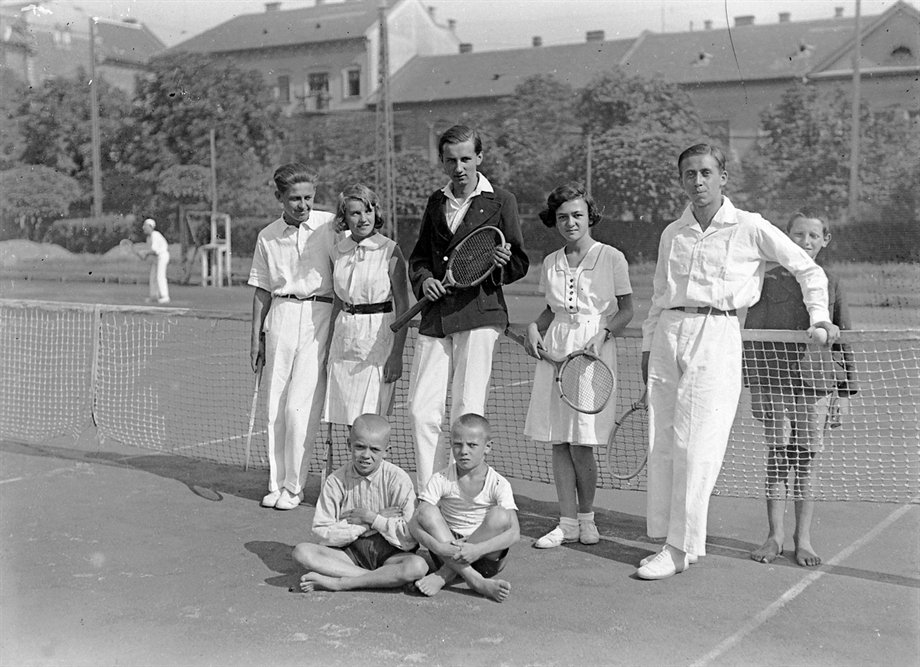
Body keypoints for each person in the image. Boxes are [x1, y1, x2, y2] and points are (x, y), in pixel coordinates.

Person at [637, 143, 840, 580]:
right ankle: (675, 540)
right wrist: (648, 348)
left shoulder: (750, 226)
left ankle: (678, 548)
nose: (698, 181)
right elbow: (658, 296)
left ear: (723, 177)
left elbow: (809, 270)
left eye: (706, 172)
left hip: (718, 334)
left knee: (699, 446)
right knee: (666, 443)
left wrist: (820, 317)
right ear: (681, 180)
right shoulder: (672, 233)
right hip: (669, 336)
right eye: (689, 174)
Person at [407, 124, 529, 490]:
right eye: (450, 160)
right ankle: (429, 491)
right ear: (443, 162)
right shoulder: (435, 201)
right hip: (436, 316)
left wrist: (503, 260)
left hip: (480, 313)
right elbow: (419, 259)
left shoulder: (501, 201)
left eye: (465, 159)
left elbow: (518, 262)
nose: (458, 167)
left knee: (466, 409)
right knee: (419, 409)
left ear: (479, 157)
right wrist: (424, 279)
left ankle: (458, 492)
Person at [523, 183, 633, 549]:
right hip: (555, 351)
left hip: (592, 353)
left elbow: (627, 310)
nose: (570, 223)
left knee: (581, 443)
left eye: (577, 215)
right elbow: (551, 311)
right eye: (562, 217)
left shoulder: (612, 257)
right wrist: (533, 328)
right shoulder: (552, 261)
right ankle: (566, 522)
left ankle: (587, 519)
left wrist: (602, 335)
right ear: (554, 221)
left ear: (590, 217)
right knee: (559, 441)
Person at [744, 211, 856, 567]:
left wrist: (844, 394)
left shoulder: (831, 282)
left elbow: (845, 341)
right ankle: (774, 537)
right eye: (797, 235)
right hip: (774, 384)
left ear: (826, 239)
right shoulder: (770, 279)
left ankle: (802, 539)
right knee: (777, 458)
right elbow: (753, 340)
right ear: (786, 237)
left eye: (812, 235)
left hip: (816, 386)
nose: (804, 242)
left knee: (805, 462)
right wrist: (756, 389)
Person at [248, 163, 336, 511]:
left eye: (308, 198)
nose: (303, 205)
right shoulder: (267, 236)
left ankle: (295, 486)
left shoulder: (330, 225)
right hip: (281, 317)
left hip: (319, 316)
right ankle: (276, 483)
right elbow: (261, 290)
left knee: (300, 409)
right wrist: (255, 337)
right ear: (279, 198)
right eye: (294, 198)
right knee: (275, 407)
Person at [293, 414, 428, 592]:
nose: (366, 455)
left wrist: (373, 518)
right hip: (350, 554)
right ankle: (382, 578)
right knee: (302, 552)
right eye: (359, 447)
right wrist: (366, 524)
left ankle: (341, 582)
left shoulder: (399, 479)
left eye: (375, 449)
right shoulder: (335, 481)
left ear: (387, 450)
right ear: (349, 444)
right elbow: (323, 534)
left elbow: (409, 539)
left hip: (391, 554)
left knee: (417, 566)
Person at [323, 184, 410, 427]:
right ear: (344, 218)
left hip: (378, 341)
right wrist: (328, 348)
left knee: (372, 422)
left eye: (368, 211)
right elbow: (338, 303)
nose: (364, 219)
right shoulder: (338, 252)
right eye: (355, 213)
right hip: (344, 342)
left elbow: (403, 307)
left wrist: (397, 355)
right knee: (350, 422)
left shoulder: (390, 250)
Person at [409, 413, 519, 603]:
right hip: (446, 551)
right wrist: (437, 546)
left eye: (472, 445)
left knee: (500, 516)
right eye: (458, 444)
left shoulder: (499, 484)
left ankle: (444, 575)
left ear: (488, 447)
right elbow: (413, 523)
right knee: (425, 511)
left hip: (485, 558)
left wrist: (477, 550)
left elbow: (514, 533)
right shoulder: (441, 478)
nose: (463, 451)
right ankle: (477, 582)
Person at [136, 218, 170, 304]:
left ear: (150, 226)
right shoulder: (149, 238)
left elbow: (154, 251)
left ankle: (165, 297)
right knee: (153, 277)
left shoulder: (155, 235)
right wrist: (144, 255)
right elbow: (151, 253)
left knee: (160, 276)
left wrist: (144, 253)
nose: (143, 227)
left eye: (145, 225)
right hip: (156, 258)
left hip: (162, 256)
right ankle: (154, 296)